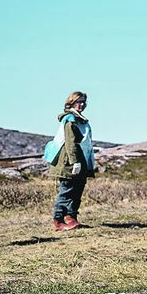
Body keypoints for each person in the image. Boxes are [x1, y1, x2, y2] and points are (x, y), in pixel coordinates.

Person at [47, 91, 95, 231]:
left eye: (83, 102)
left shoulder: (81, 120)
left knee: (77, 189)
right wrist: (75, 161)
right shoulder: (70, 120)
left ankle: (71, 217)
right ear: (72, 103)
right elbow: (70, 142)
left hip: (80, 159)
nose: (82, 104)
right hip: (68, 161)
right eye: (78, 102)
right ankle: (58, 220)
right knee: (67, 190)